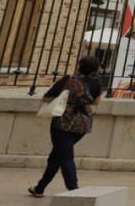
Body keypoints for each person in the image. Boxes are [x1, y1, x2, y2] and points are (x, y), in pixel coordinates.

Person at [28, 55, 102, 198]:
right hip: (83, 123)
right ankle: (40, 188)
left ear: (79, 66)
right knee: (57, 155)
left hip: (64, 122)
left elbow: (47, 98)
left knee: (65, 156)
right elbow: (96, 102)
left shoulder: (68, 80)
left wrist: (65, 98)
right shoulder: (96, 83)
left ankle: (73, 189)